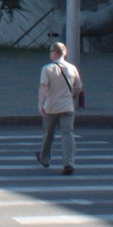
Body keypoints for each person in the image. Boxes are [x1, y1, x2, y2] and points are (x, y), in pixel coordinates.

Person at [37, 41, 84, 175]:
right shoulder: (72, 68)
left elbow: (44, 87)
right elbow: (78, 88)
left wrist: (41, 103)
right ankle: (68, 163)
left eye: (51, 51)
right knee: (67, 134)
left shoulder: (47, 68)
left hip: (51, 107)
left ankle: (45, 159)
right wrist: (71, 98)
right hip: (67, 108)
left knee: (48, 134)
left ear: (56, 53)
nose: (50, 54)